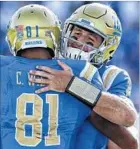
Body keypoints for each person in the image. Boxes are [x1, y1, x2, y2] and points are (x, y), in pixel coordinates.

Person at [28, 3, 138, 149]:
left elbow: (127, 117)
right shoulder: (46, 63)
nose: (78, 43)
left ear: (106, 49)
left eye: (89, 41)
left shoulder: (110, 76)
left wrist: (73, 85)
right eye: (76, 35)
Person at [1, 4, 109, 149]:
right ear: (56, 35)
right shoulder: (81, 70)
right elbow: (126, 128)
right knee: (98, 124)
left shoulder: (3, 67)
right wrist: (73, 84)